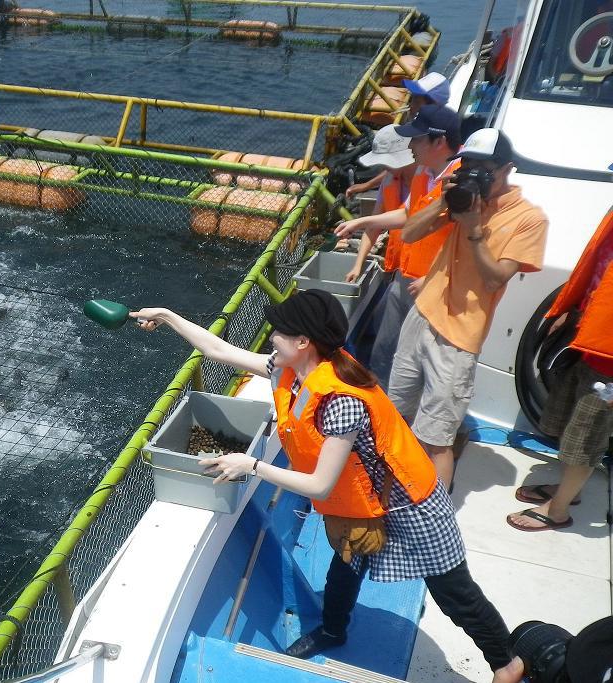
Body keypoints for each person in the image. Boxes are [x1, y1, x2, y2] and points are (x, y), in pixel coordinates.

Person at [130, 290, 511, 669]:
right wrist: (166, 314)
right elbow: (219, 351)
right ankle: (333, 629)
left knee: (454, 592)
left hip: (410, 504)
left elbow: (319, 486)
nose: (270, 336)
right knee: (345, 564)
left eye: (278, 330)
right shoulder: (295, 368)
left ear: (303, 341)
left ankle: (506, 662)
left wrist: (252, 467)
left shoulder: (340, 401)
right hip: (363, 500)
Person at [390, 128, 548, 489]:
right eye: (468, 166)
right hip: (423, 315)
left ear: (507, 169)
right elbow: (411, 235)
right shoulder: (461, 200)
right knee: (397, 414)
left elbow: (495, 279)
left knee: (436, 438)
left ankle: (434, 520)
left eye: (483, 169)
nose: (474, 175)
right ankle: (391, 493)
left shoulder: (528, 219)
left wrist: (474, 229)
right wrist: (441, 204)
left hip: (459, 336)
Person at [335, 105, 463, 391]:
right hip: (405, 278)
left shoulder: (461, 181)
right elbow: (408, 214)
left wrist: (434, 277)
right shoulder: (424, 173)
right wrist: (364, 221)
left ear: (438, 142)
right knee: (386, 348)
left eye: (416, 139)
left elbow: (468, 242)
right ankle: (380, 403)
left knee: (420, 361)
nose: (411, 146)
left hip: (434, 289)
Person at [507, 205, 613, 532]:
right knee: (570, 423)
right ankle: (569, 490)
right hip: (585, 338)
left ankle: (558, 510)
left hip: (607, 362)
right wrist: (572, 311)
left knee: (587, 434)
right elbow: (600, 271)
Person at [343, 72, 451, 201]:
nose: (411, 104)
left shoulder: (430, 142)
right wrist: (367, 185)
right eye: (412, 98)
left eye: (417, 100)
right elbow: (395, 168)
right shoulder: (415, 132)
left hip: (416, 203)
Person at [342, 124, 417, 287]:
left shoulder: (430, 181)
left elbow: (407, 216)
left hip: (420, 270)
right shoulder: (389, 181)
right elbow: (373, 227)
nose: (384, 167)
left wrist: (360, 222)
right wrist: (357, 265)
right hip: (398, 264)